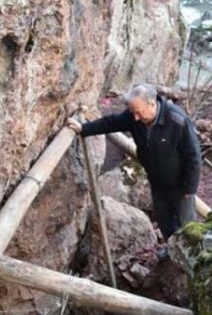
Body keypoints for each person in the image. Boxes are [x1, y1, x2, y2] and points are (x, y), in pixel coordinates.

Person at [67, 83, 201, 257]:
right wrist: (84, 128)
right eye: (133, 113)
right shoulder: (134, 117)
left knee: (186, 225)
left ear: (152, 104)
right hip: (157, 182)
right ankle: (171, 251)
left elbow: (194, 157)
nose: (136, 118)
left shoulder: (177, 121)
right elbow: (111, 122)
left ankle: (193, 259)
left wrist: (190, 189)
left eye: (139, 112)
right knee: (165, 221)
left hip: (180, 185)